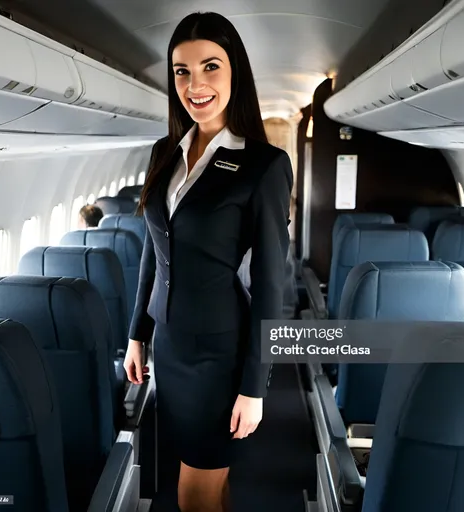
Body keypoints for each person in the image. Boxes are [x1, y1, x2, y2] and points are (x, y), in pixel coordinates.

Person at [123, 11, 293, 512]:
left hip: (219, 354)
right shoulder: (163, 153)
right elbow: (154, 252)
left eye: (210, 67)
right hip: (171, 350)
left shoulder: (262, 165)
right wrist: (138, 333)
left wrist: (254, 386)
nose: (195, 84)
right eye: (182, 71)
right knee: (203, 480)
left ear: (235, 72)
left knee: (194, 490)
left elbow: (269, 285)